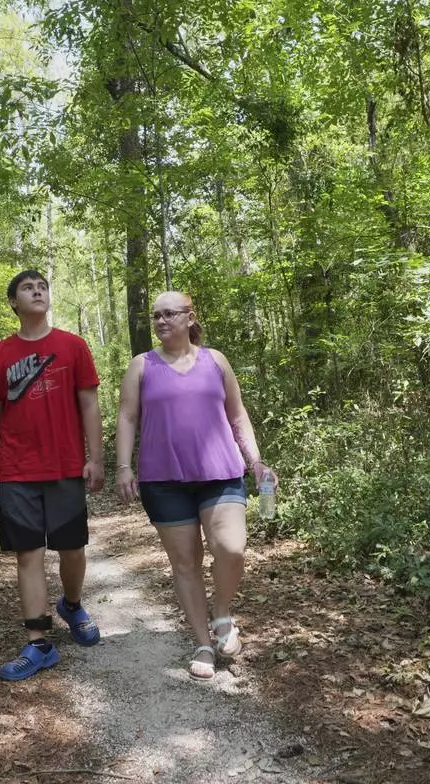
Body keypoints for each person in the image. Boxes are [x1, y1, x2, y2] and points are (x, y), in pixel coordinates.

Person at [115, 291, 275, 680]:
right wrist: (123, 467)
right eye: (155, 315)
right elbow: (127, 417)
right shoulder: (141, 365)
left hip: (221, 473)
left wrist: (255, 460)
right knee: (185, 564)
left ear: (190, 317)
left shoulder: (215, 360)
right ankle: (203, 642)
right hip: (163, 479)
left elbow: (237, 414)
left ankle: (221, 614)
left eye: (169, 314)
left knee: (231, 548)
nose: (160, 321)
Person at [0, 270, 106, 681]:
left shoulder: (73, 346)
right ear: (13, 302)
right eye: (28, 288)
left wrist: (97, 458)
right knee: (28, 552)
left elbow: (89, 404)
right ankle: (39, 644)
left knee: (72, 548)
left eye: (42, 287)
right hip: (17, 469)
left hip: (66, 464)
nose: (37, 291)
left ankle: (72, 604)